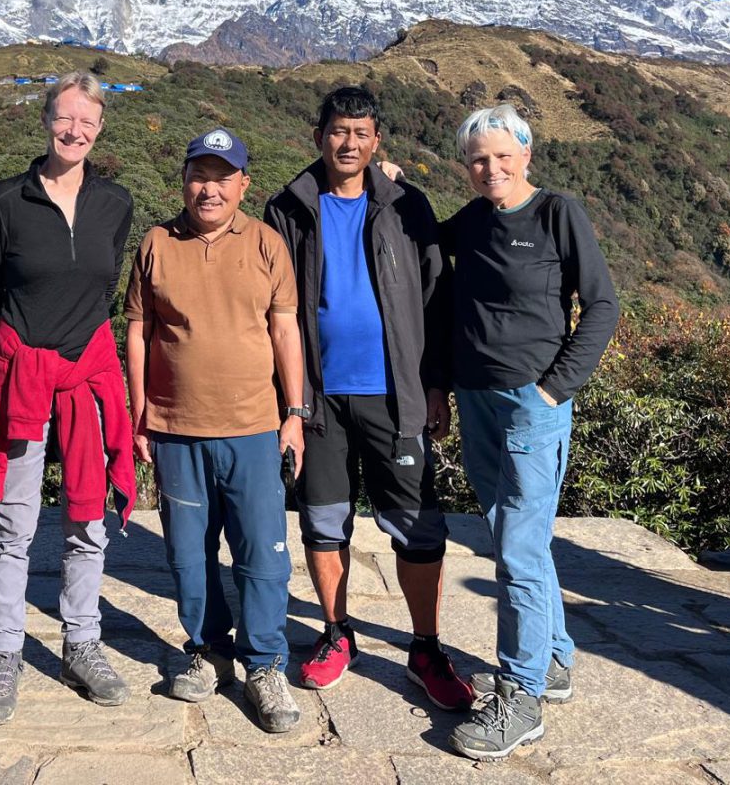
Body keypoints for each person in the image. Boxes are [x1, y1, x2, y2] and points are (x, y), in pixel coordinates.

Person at [263, 86, 474, 710]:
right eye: (338, 131)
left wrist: (436, 384)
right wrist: (288, 404)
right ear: (319, 136)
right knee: (324, 520)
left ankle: (426, 647)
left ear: (377, 141)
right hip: (318, 397)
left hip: (395, 394)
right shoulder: (288, 207)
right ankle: (337, 634)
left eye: (360, 133)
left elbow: (437, 297)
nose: (348, 143)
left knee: (418, 525)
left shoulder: (407, 204)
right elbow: (270, 306)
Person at [0, 72, 137, 726]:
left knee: (88, 519)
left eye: (87, 121)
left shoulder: (116, 203)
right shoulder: (4, 200)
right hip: (23, 376)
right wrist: (18, 354)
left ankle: (81, 642)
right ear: (45, 120)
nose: (74, 131)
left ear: (100, 129)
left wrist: (70, 343)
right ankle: (3, 651)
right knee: (14, 522)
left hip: (87, 375)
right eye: (65, 118)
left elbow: (105, 288)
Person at [439, 104, 619, 761]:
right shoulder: (473, 220)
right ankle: (555, 658)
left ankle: (521, 695)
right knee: (514, 536)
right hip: (477, 399)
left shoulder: (557, 213)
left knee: (516, 548)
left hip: (531, 404)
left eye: (501, 156)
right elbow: (420, 237)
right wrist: (387, 183)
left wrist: (553, 389)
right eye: (477, 160)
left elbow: (602, 306)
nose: (490, 168)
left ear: (526, 155)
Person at [125, 127, 307, 734]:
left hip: (253, 426)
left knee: (262, 554)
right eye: (199, 176)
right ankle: (208, 651)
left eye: (222, 178)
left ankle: (266, 664)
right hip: (176, 428)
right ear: (183, 181)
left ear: (243, 185)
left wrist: (295, 413)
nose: (209, 189)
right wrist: (140, 415)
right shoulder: (156, 243)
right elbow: (138, 332)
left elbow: (285, 331)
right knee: (187, 555)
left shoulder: (266, 244)